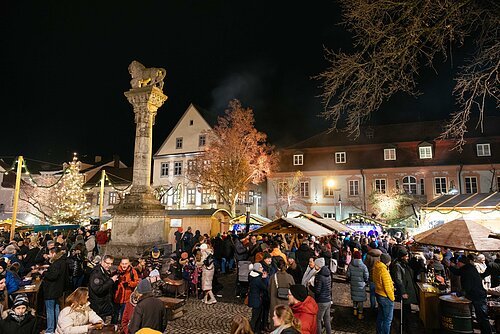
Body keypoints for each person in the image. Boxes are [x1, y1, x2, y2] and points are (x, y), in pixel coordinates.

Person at [449, 255, 493, 334]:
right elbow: (457, 272)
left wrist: (458, 294)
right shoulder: (466, 268)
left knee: (482, 317)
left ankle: (487, 332)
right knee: (480, 317)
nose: (457, 264)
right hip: (476, 295)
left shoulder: (468, 271)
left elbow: (467, 286)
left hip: (478, 295)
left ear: (461, 263)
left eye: (458, 262)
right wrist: (450, 266)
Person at [41, 246, 69, 334]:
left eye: (50, 253)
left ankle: (50, 330)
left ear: (53, 253)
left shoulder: (57, 263)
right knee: (56, 308)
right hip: (58, 289)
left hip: (51, 289)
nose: (49, 256)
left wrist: (44, 272)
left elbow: (53, 276)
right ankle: (57, 326)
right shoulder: (62, 261)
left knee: (50, 310)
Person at [390, 248, 418, 332]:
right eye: (406, 256)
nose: (408, 257)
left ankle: (407, 327)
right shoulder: (397, 265)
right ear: (402, 257)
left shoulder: (404, 264)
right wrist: (403, 292)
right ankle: (405, 328)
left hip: (408, 289)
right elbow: (398, 280)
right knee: (405, 311)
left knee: (407, 309)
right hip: (405, 290)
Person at [89, 255, 118, 320]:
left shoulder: (105, 271)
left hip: (103, 305)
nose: (109, 265)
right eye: (107, 263)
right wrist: (111, 281)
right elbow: (98, 289)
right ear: (102, 262)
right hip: (98, 306)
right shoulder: (96, 273)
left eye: (111, 264)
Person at [113, 258, 140, 323]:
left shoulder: (132, 272)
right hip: (117, 297)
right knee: (114, 316)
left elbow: (137, 283)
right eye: (123, 264)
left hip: (127, 298)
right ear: (120, 264)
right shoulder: (117, 271)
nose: (124, 265)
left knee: (124, 316)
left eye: (126, 264)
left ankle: (122, 328)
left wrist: (129, 284)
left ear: (129, 264)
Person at [373, 253, 394, 334]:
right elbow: (387, 287)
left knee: (381, 316)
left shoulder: (377, 267)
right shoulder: (383, 270)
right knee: (387, 320)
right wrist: (392, 298)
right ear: (387, 261)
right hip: (385, 296)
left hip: (379, 293)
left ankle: (379, 332)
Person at [269, 258, 295, 324]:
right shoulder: (289, 277)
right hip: (286, 303)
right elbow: (293, 290)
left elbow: (269, 290)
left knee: (275, 321)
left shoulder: (272, 277)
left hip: (274, 302)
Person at [346, 250, 369, 319]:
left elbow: (348, 274)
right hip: (361, 284)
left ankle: (355, 310)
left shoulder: (351, 265)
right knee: (360, 299)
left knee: (355, 297)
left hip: (353, 283)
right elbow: (366, 276)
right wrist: (365, 281)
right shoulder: (363, 266)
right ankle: (360, 313)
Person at [248, 263, 269, 334]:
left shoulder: (252, 276)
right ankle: (251, 330)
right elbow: (265, 287)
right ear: (257, 269)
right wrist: (265, 278)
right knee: (255, 317)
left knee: (257, 316)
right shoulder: (257, 279)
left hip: (254, 299)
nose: (262, 268)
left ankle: (257, 330)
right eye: (260, 267)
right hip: (257, 300)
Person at [312, 257, 331, 334]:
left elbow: (317, 291)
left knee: (318, 320)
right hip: (328, 300)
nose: (314, 266)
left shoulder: (320, 276)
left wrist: (310, 286)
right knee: (327, 320)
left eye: (315, 265)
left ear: (319, 266)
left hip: (321, 301)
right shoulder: (328, 275)